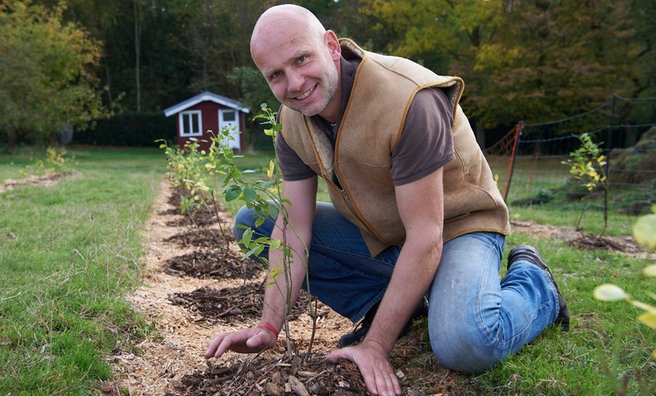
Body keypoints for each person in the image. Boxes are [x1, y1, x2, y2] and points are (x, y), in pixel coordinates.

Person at [204, 4, 569, 395]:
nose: (293, 83)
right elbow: (294, 226)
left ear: (330, 45)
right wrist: (269, 325)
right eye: (276, 74)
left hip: (458, 229)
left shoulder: (408, 101)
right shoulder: (291, 123)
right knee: (253, 221)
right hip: (387, 234)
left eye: (301, 59)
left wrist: (376, 346)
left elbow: (426, 236)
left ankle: (535, 283)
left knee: (466, 344)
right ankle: (397, 306)